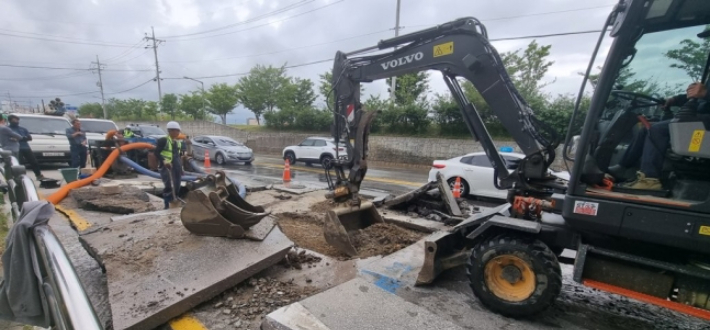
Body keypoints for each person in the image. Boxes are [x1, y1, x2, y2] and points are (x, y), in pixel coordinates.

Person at [622, 82, 710, 190]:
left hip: (704, 123)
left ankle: (650, 180)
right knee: (647, 129)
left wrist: (706, 93)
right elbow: (699, 99)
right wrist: (675, 100)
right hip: (698, 119)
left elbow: (703, 96)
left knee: (657, 130)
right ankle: (623, 168)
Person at [154, 121, 183, 209]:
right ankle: (167, 205)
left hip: (176, 167)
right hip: (167, 167)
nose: (177, 133)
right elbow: (156, 152)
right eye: (175, 131)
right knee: (169, 185)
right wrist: (164, 160)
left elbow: (178, 156)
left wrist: (181, 169)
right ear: (170, 131)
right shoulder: (164, 140)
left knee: (177, 185)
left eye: (178, 131)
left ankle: (175, 200)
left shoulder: (177, 142)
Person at [8, 115, 45, 180]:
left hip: (26, 147)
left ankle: (38, 175)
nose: (16, 121)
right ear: (10, 120)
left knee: (34, 162)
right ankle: (20, 177)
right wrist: (23, 138)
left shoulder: (22, 129)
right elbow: (9, 138)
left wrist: (20, 138)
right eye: (14, 120)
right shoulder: (8, 129)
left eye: (17, 120)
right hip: (16, 149)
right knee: (19, 164)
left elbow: (29, 138)